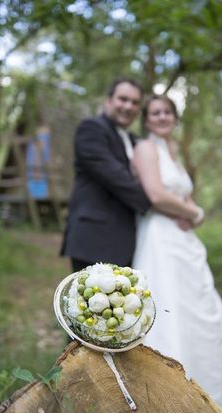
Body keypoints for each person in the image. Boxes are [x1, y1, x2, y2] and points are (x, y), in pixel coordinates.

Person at [132, 95, 222, 413]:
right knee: (168, 305)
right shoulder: (145, 149)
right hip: (160, 238)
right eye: (155, 112)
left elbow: (183, 194)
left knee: (195, 304)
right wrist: (195, 212)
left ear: (175, 117)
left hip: (185, 242)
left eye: (167, 111)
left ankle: (208, 391)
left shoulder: (174, 150)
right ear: (147, 118)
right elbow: (155, 194)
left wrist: (192, 211)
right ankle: (165, 394)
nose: (162, 117)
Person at [60, 78, 151, 271]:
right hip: (95, 240)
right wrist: (157, 203)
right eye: (123, 99)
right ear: (108, 100)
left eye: (135, 102)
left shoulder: (135, 140)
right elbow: (117, 178)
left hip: (128, 242)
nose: (128, 106)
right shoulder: (91, 129)